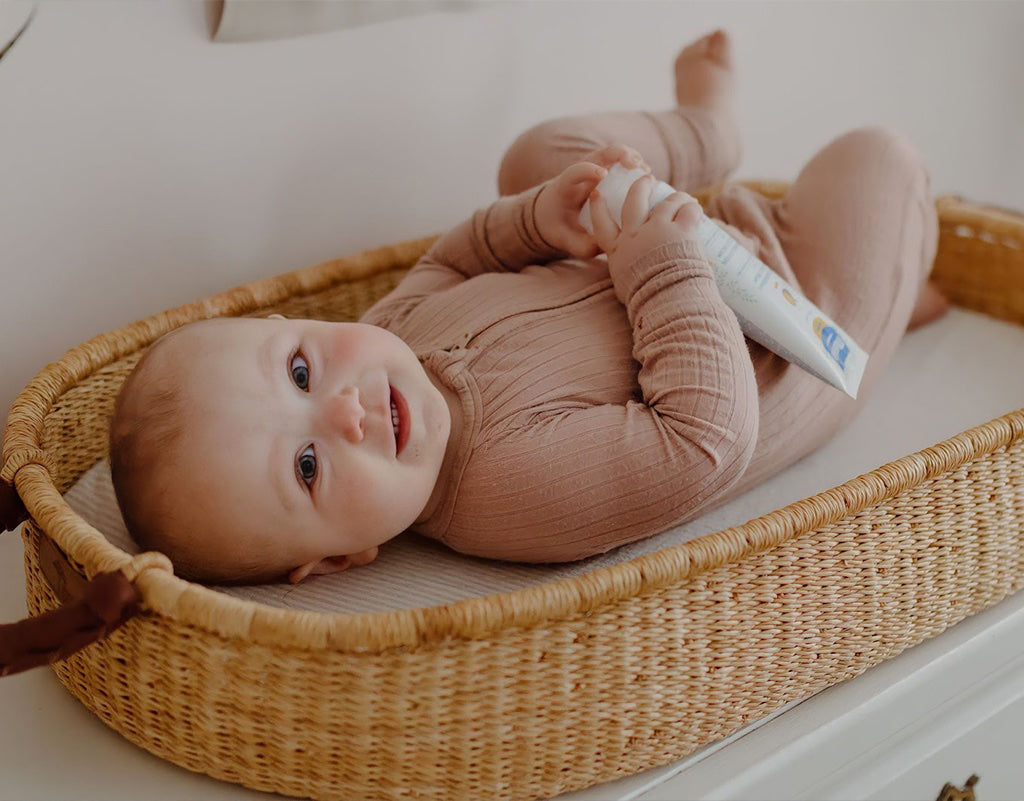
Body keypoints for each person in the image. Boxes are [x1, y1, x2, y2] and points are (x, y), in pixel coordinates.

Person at [108, 30, 948, 585]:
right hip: (800, 321)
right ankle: (895, 296)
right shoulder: (507, 493)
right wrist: (659, 265)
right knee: (878, 154)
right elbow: (704, 441)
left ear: (298, 329)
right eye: (308, 467)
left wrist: (540, 217)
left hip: (682, 236)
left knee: (535, 157)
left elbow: (455, 259)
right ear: (339, 558)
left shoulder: (388, 335)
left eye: (299, 369)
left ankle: (706, 130)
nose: (342, 409)